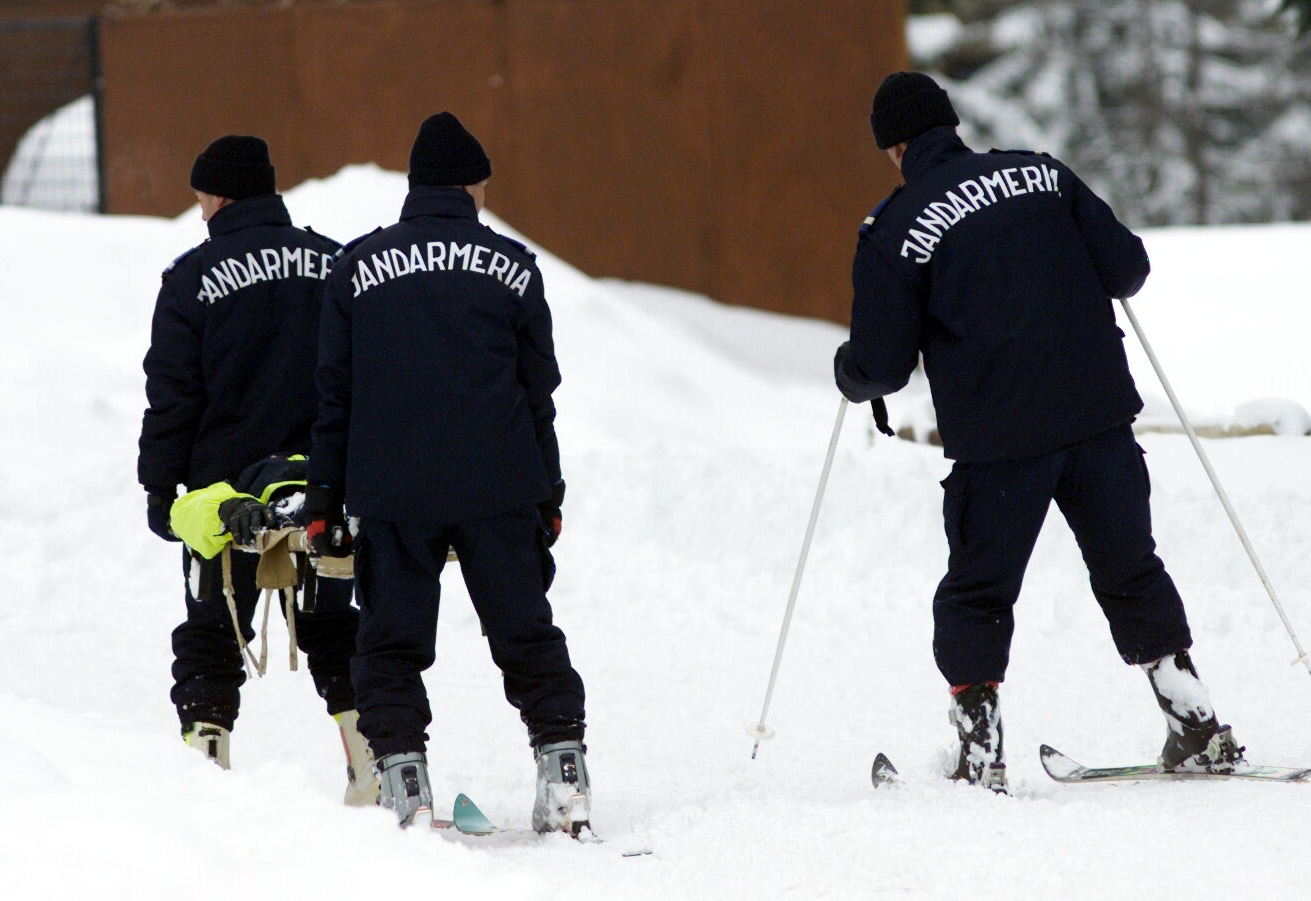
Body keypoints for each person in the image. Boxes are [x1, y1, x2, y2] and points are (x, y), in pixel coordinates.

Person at [833, 72, 1244, 792]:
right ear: (951, 123)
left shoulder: (894, 227)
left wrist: (849, 375)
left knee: (977, 594)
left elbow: (881, 364)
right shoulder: (1040, 174)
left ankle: (979, 751)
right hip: (1099, 418)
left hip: (999, 444)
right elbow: (1128, 267)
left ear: (893, 148)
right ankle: (1197, 721)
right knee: (1129, 568)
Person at [306, 112, 589, 831]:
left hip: (393, 490)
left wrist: (322, 502)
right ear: (475, 187)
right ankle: (564, 778)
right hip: (499, 483)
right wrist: (547, 492)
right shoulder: (514, 267)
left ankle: (406, 787)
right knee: (525, 631)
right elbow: (538, 394)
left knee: (392, 642)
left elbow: (334, 397)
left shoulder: (355, 269)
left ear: (414, 185)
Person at [138, 135, 377, 805]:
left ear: (216, 196)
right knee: (337, 628)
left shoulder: (190, 279)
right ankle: (372, 774)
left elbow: (172, 397)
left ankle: (206, 781)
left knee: (212, 636)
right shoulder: (336, 262)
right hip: (327, 494)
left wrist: (159, 486)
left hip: (230, 496)